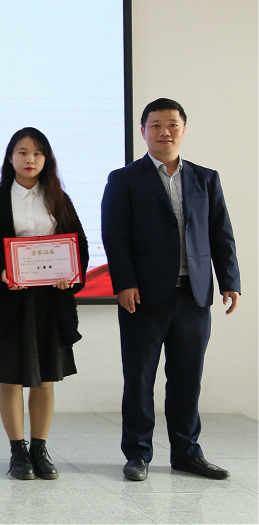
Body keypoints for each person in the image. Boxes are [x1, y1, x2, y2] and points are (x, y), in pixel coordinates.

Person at [101, 98, 240, 482]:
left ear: (183, 129)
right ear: (143, 131)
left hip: (194, 295)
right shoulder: (125, 179)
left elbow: (221, 233)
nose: (165, 132)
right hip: (143, 297)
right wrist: (124, 283)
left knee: (187, 379)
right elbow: (114, 236)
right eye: (156, 125)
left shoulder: (205, 178)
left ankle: (187, 453)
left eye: (173, 124)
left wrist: (229, 281)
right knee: (140, 379)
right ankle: (138, 454)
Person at [0, 127, 89, 480]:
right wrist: (1, 272)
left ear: (46, 159)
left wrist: (71, 274)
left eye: (37, 153)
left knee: (45, 379)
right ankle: (17, 450)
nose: (30, 159)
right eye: (22, 152)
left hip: (50, 301)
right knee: (10, 378)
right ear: (10, 158)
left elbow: (78, 245)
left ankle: (40, 448)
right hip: (9, 301)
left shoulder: (59, 200)